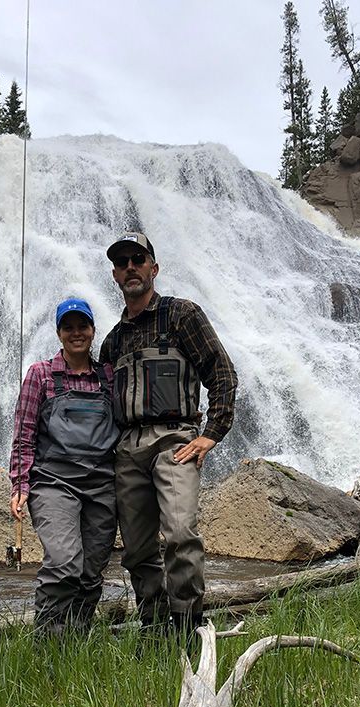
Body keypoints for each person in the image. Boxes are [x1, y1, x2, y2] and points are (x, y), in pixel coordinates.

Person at [98, 232, 237, 635]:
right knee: (138, 550)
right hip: (126, 449)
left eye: (137, 259)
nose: (130, 267)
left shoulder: (182, 316)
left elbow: (222, 371)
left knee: (180, 533)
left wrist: (211, 433)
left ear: (153, 268)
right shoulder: (112, 341)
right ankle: (154, 628)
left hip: (176, 440)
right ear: (114, 275)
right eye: (122, 262)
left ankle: (188, 625)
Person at [10, 298, 118, 635]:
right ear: (59, 333)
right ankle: (46, 644)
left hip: (102, 484)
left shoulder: (109, 377)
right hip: (54, 483)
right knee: (64, 563)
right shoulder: (40, 375)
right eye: (68, 327)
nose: (76, 333)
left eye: (82, 326)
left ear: (92, 330)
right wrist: (20, 484)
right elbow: (24, 431)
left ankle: (77, 641)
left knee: (91, 572)